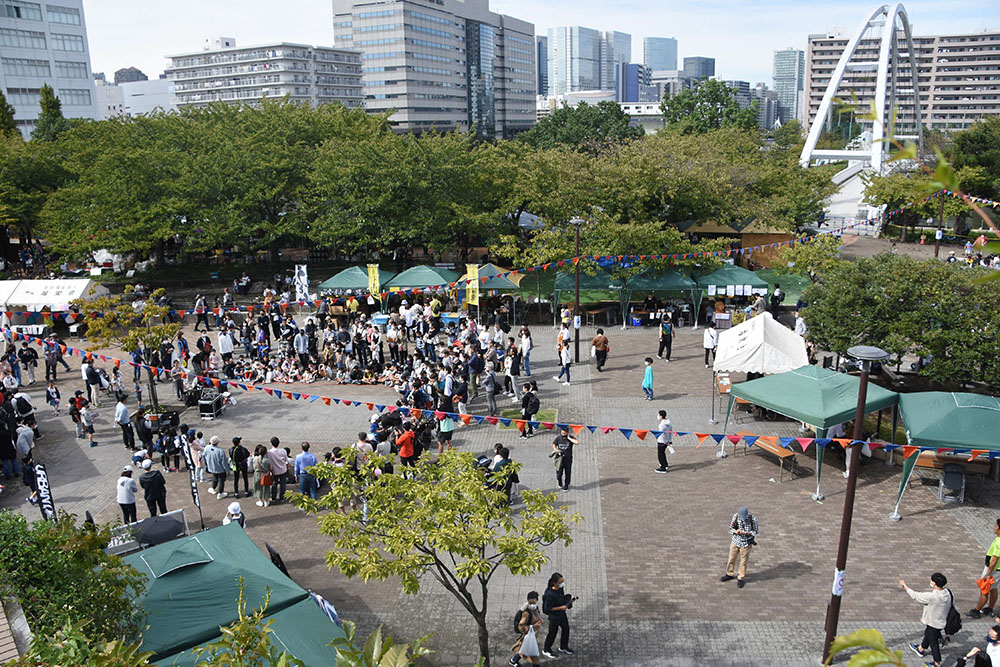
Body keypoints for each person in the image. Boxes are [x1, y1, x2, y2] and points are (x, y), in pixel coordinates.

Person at [900, 572, 951, 667]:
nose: (930, 582)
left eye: (932, 580)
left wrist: (904, 585)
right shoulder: (948, 593)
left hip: (933, 623)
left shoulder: (932, 596)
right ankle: (920, 649)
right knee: (928, 634)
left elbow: (915, 595)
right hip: (942, 620)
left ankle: (937, 664)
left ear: (934, 583)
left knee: (934, 643)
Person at [968, 518, 1000, 618]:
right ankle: (990, 608)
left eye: (995, 526)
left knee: (984, 589)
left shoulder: (999, 543)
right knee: (993, 588)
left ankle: (977, 610)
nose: (994, 528)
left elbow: (994, 559)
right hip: (997, 571)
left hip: (993, 570)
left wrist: (988, 573)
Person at [721, 506, 758, 588]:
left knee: (743, 561)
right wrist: (735, 531)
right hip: (735, 541)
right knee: (731, 558)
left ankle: (740, 577)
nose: (743, 519)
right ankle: (729, 573)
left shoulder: (753, 519)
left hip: (746, 543)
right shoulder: (735, 517)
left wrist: (748, 533)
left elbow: (755, 531)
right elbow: (730, 529)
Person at [541, 572, 574, 659]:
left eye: (563, 581)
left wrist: (568, 601)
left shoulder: (560, 588)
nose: (562, 583)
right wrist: (561, 607)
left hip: (561, 613)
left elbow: (562, 598)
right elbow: (547, 609)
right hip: (554, 616)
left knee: (566, 629)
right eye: (560, 582)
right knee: (552, 633)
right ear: (555, 583)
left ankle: (563, 647)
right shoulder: (549, 594)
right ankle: (546, 649)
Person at [510, 591, 544, 666]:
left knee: (523, 649)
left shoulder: (535, 608)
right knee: (533, 653)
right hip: (528, 636)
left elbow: (537, 615)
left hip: (533, 635)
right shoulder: (526, 613)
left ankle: (513, 660)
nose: (533, 604)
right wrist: (533, 626)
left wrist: (539, 619)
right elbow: (521, 627)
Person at [203, 435, 230, 500]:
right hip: (220, 469)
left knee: (214, 477)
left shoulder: (207, 447)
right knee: (221, 480)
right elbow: (224, 463)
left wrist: (207, 464)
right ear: (217, 442)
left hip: (211, 467)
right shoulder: (220, 451)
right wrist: (227, 471)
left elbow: (204, 456)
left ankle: (213, 488)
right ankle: (220, 493)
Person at [552, 426, 577, 492]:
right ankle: (559, 481)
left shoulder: (570, 438)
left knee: (567, 473)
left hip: (568, 459)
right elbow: (554, 445)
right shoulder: (558, 438)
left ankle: (566, 485)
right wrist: (556, 450)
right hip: (560, 459)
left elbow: (576, 442)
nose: (563, 434)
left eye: (564, 433)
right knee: (559, 473)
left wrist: (569, 438)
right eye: (562, 433)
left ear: (567, 432)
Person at [267, 436, 289, 503]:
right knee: (283, 484)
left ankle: (273, 497)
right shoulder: (283, 451)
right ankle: (282, 497)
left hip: (274, 470)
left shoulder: (269, 452)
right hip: (283, 470)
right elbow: (286, 460)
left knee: (274, 484)